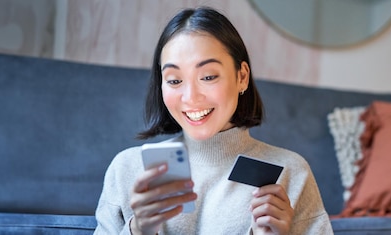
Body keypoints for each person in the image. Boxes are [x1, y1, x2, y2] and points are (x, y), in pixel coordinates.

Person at [94, 6, 333, 235]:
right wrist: (138, 231)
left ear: (242, 77)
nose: (191, 97)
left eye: (208, 76)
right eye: (175, 80)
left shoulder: (290, 172)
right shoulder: (127, 169)